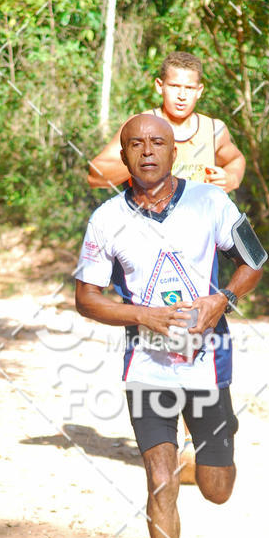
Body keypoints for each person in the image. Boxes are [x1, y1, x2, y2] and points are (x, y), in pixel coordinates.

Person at [75, 114, 263, 538]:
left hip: (207, 362)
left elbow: (256, 258)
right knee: (159, 482)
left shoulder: (210, 203)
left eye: (158, 142)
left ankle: (215, 445)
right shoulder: (106, 219)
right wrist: (143, 316)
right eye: (136, 144)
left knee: (216, 489)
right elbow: (86, 299)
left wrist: (221, 299)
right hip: (148, 369)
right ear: (125, 154)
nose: (148, 152)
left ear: (174, 151)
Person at [87, 51, 247, 483]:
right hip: (144, 232)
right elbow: (94, 173)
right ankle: (176, 442)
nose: (181, 94)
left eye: (189, 87)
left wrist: (227, 179)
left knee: (205, 334)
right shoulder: (141, 127)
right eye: (173, 86)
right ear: (159, 87)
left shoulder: (213, 128)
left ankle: (213, 434)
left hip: (201, 237)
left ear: (199, 91)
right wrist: (141, 170)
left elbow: (235, 161)